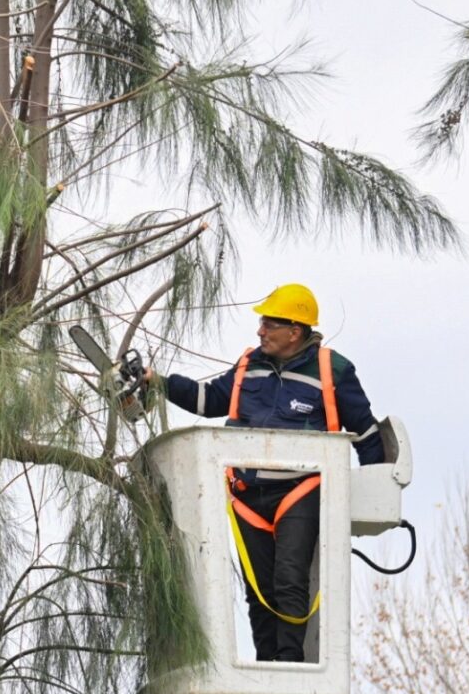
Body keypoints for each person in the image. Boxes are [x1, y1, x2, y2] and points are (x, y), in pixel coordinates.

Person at [151, 283, 381, 662]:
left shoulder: (332, 369)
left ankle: (289, 666)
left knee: (289, 580)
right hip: (246, 495)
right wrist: (157, 382)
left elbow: (367, 432)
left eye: (268, 324)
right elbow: (208, 401)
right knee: (258, 590)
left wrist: (376, 491)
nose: (260, 331)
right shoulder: (249, 365)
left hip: (300, 490)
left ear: (295, 331)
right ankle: (267, 664)